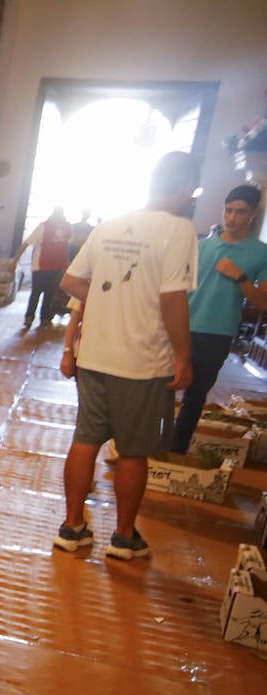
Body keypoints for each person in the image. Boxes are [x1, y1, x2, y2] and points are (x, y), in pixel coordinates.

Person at [53, 150, 200, 560]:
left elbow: (70, 280)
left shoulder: (111, 225)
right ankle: (123, 536)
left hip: (95, 356)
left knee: (85, 441)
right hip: (143, 363)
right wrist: (184, 356)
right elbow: (172, 298)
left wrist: (110, 305)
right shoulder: (179, 229)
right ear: (187, 188)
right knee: (134, 451)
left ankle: (72, 526)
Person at [170, 184, 267, 453]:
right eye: (228, 211)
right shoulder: (200, 246)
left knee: (196, 395)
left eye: (240, 212)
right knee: (162, 388)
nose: (232, 218)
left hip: (218, 332)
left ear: (253, 214)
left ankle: (176, 450)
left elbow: (262, 301)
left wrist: (240, 277)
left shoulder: (261, 252)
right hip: (180, 325)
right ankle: (152, 444)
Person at [14, 205, 73, 329]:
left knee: (50, 293)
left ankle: (45, 317)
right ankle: (29, 317)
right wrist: (15, 260)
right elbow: (27, 243)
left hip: (57, 266)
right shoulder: (43, 227)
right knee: (36, 292)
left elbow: (65, 248)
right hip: (40, 265)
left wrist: (66, 266)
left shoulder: (67, 227)